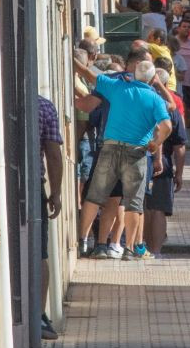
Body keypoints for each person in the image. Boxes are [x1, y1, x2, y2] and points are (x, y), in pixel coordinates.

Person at [72, 57, 172, 259]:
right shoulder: (154, 99)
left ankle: (82, 241)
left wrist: (72, 59)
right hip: (137, 152)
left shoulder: (117, 87)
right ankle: (129, 249)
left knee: (95, 196)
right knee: (133, 203)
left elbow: (87, 74)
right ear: (152, 79)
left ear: (134, 74)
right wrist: (155, 143)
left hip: (109, 148)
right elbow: (167, 126)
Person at [143, 69, 188, 257]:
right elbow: (180, 146)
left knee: (143, 208)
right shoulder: (171, 109)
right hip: (164, 166)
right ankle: (156, 251)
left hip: (141, 160)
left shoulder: (142, 102)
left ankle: (143, 248)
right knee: (159, 209)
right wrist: (179, 174)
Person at [38, 94, 64, 341]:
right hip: (32, 186)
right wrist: (55, 193)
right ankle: (38, 315)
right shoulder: (43, 106)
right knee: (39, 253)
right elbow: (54, 154)